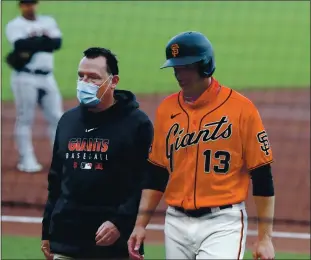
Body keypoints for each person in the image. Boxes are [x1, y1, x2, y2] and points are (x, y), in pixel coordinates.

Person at [128, 31, 276, 260]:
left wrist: (265, 238)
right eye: (175, 67)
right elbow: (156, 172)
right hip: (175, 222)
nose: (178, 73)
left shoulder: (241, 109)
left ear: (204, 65)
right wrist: (140, 224)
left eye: (185, 67)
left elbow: (262, 174)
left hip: (223, 223)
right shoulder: (166, 110)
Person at [41, 47, 153, 260]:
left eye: (93, 78)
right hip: (67, 241)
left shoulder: (137, 124)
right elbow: (55, 179)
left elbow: (144, 183)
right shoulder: (67, 121)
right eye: (81, 76)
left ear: (113, 81)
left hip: (114, 244)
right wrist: (47, 231)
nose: (84, 83)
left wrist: (120, 222)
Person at [5, 0, 63, 173]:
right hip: (25, 77)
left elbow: (57, 43)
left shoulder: (48, 21)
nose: (30, 6)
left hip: (48, 77)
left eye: (32, 3)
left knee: (57, 118)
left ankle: (60, 160)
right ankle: (27, 160)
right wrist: (44, 41)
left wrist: (35, 43)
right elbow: (20, 45)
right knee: (25, 118)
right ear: (20, 6)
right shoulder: (14, 25)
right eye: (26, 4)